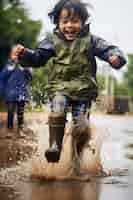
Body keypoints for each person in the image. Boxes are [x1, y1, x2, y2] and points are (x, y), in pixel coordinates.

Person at [10, 0, 126, 162]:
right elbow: (38, 58)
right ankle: (55, 147)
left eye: (75, 21)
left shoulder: (91, 40)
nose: (69, 25)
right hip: (60, 88)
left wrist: (116, 58)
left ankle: (76, 160)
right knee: (57, 109)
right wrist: (25, 55)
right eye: (65, 21)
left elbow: (109, 49)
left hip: (83, 91)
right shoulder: (52, 40)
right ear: (57, 22)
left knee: (82, 128)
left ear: (83, 22)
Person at [0, 54, 33, 137]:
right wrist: (11, 68)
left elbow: (31, 77)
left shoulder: (26, 65)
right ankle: (9, 130)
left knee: (20, 112)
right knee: (10, 111)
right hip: (10, 93)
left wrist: (25, 68)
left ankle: (20, 130)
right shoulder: (9, 65)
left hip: (22, 93)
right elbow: (2, 77)